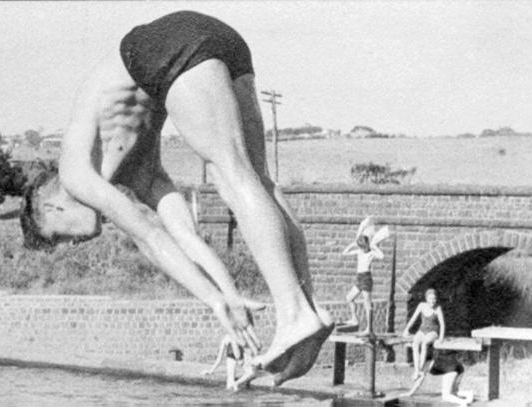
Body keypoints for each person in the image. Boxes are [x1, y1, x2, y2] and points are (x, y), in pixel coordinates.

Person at [19, 10, 334, 384]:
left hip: (164, 48)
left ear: (51, 206)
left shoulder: (74, 172)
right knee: (257, 182)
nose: (72, 245)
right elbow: (185, 237)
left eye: (60, 237)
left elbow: (148, 238)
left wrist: (211, 300)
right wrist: (227, 296)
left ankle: (294, 313)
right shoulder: (139, 173)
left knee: (232, 173)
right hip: (218, 40)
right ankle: (310, 307)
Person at [341, 216, 386, 334]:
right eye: (361, 247)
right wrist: (353, 244)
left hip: (366, 278)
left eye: (364, 247)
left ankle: (369, 328)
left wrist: (374, 246)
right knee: (349, 298)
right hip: (359, 278)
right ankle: (354, 318)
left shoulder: (370, 254)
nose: (362, 249)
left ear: (367, 245)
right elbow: (344, 253)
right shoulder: (359, 251)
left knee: (367, 303)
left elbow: (382, 256)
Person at [402, 347, 474, 406]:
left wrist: (410, 393)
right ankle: (468, 393)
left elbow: (419, 381)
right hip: (459, 368)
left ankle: (463, 402)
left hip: (451, 370)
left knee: (446, 396)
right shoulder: (429, 360)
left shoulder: (423, 364)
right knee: (454, 392)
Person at [403, 288, 445, 379]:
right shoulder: (421, 306)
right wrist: (406, 329)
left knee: (425, 343)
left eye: (434, 299)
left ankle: (421, 369)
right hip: (422, 330)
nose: (432, 301)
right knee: (415, 343)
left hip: (433, 331)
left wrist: (441, 338)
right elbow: (413, 318)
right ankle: (416, 370)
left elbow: (442, 324)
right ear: (426, 299)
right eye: (430, 299)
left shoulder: (438, 308)